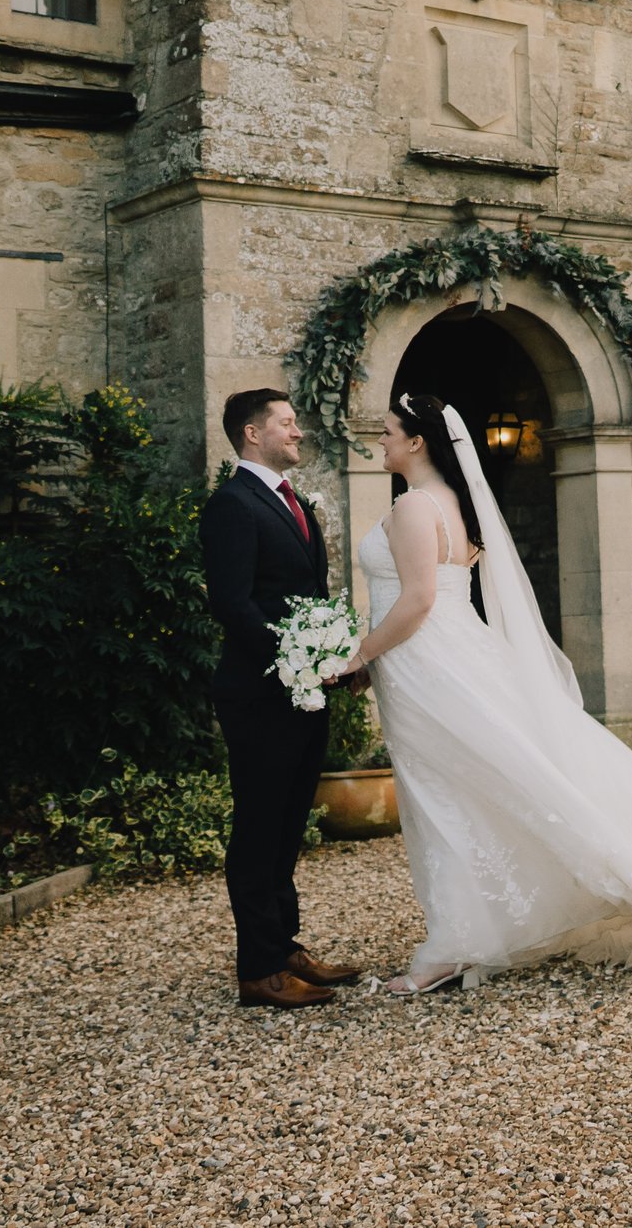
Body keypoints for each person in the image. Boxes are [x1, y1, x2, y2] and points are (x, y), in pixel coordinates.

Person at [345, 390, 632, 994]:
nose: (377, 441)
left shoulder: (413, 509)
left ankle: (454, 944)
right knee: (473, 788)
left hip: (430, 664)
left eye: (386, 432)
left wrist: (360, 653)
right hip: (446, 657)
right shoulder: (453, 503)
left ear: (415, 441)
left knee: (445, 795)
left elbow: (418, 600)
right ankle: (471, 930)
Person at [199, 388, 367, 1009]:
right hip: (259, 695)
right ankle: (260, 970)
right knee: (259, 828)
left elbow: (307, 599)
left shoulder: (293, 501)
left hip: (302, 693)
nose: (298, 433)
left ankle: (285, 945)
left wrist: (329, 659)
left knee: (290, 822)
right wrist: (293, 662)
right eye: (287, 424)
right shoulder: (233, 505)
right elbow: (233, 604)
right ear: (252, 433)